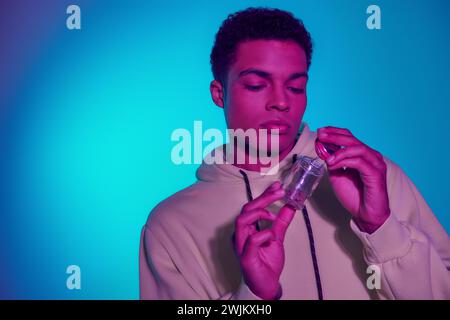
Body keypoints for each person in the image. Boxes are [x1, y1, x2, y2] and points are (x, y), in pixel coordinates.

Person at [139, 7, 450, 299]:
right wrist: (255, 295)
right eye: (257, 85)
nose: (281, 102)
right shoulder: (170, 225)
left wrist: (380, 228)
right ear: (219, 94)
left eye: (296, 87)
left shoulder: (370, 178)